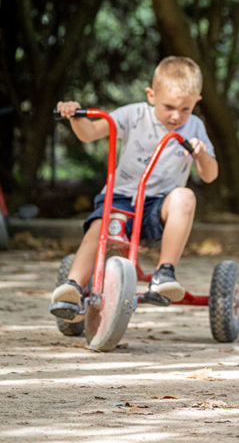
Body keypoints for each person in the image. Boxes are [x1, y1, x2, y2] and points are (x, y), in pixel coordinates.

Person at [50, 56, 218, 321]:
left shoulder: (194, 127)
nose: (177, 116)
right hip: (121, 197)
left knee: (185, 197)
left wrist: (202, 155)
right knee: (99, 229)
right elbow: (90, 132)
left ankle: (164, 272)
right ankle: (72, 286)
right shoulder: (134, 115)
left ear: (196, 102)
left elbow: (210, 175)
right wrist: (75, 116)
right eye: (169, 107)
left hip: (158, 204)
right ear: (151, 96)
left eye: (185, 109)